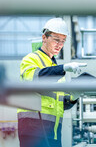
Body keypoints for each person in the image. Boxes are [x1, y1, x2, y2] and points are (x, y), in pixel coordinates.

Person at [17, 18, 86, 147]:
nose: (60, 44)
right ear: (44, 37)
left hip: (53, 132)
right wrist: (63, 68)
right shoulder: (31, 59)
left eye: (63, 41)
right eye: (56, 39)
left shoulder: (55, 66)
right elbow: (36, 79)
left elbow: (61, 104)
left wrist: (74, 97)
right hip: (33, 130)